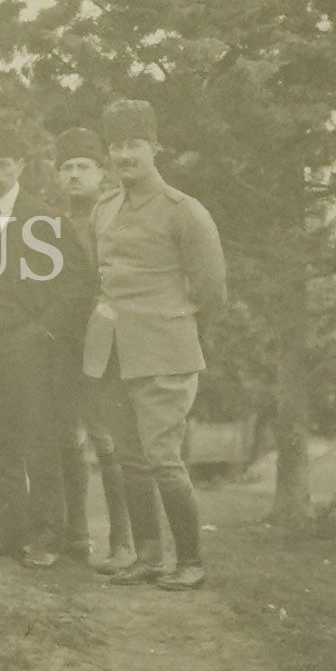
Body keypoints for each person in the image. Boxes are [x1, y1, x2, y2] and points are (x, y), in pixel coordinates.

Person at [84, 100, 226, 591]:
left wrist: (181, 335)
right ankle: (147, 556)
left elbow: (212, 289)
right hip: (112, 349)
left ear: (155, 148)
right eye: (117, 146)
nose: (125, 155)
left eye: (135, 145)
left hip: (164, 350)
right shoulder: (104, 207)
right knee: (129, 457)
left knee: (163, 458)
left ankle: (190, 561)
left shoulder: (184, 211)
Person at [0, 128, 94, 569]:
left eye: (3, 165)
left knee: (39, 442)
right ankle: (11, 534)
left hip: (31, 345)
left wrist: (44, 330)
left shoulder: (46, 218)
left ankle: (47, 537)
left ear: (20, 166)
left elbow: (77, 283)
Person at [53, 126, 141, 570]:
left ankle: (123, 542)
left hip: (108, 343)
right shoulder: (49, 225)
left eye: (83, 167)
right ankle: (77, 536)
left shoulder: (116, 219)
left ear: (101, 173)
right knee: (68, 438)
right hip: (63, 344)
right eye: (66, 167)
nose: (74, 175)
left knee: (108, 440)